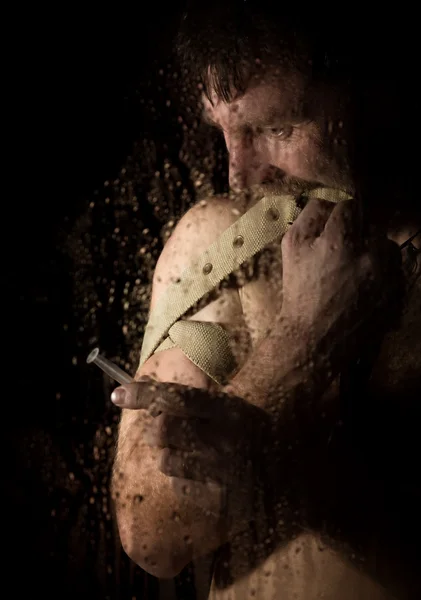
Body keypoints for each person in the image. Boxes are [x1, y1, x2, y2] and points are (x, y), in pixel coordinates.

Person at [110, 3, 421, 598]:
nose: (240, 175)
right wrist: (307, 338)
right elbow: (152, 533)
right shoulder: (226, 245)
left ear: (378, 93)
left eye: (277, 129)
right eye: (222, 131)